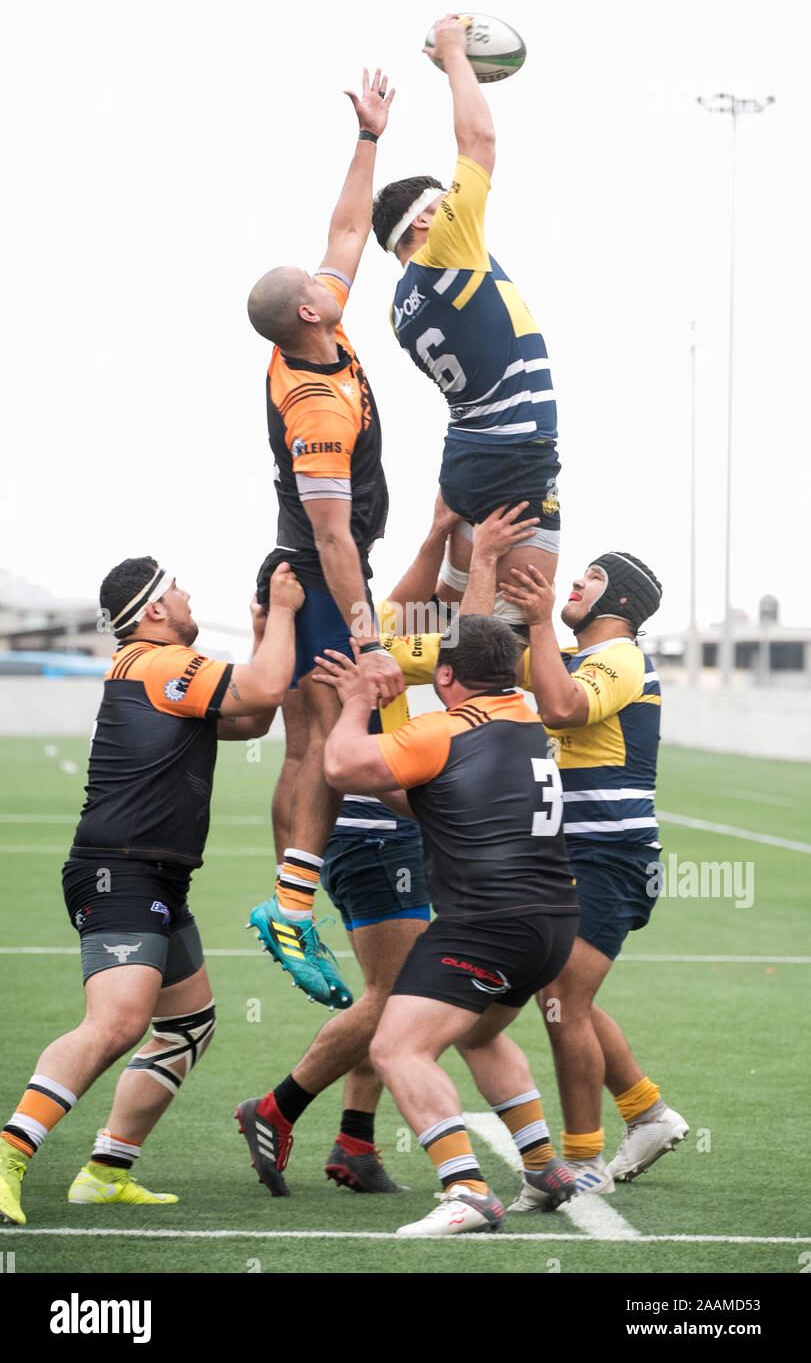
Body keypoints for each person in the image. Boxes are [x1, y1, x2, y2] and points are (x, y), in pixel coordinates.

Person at [235, 507, 539, 1198]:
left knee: (394, 991)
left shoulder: (350, 634)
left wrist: (438, 537)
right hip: (371, 830)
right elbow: (474, 650)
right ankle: (277, 1108)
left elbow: (402, 607)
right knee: (403, 994)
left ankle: (354, 1140)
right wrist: (482, 560)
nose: (370, 594)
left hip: (389, 827)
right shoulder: (356, 648)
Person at [0, 558, 301, 1227]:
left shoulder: (163, 673)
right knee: (116, 1023)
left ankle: (106, 1171)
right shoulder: (155, 663)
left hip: (157, 876)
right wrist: (280, 611)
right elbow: (267, 685)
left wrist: (262, 632)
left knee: (187, 1027)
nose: (190, 596)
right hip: (121, 871)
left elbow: (252, 718)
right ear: (154, 610)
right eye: (179, 589)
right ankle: (10, 1151)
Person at [314, 616, 580, 1236]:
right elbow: (442, 791)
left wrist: (355, 703)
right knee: (480, 1036)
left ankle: (465, 1188)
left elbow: (342, 768)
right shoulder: (531, 721)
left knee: (396, 1047)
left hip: (485, 922)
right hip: (551, 924)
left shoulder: (443, 729)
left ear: (447, 676)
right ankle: (543, 1167)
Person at [247, 68, 403, 1010]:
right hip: (317, 567)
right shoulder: (311, 398)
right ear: (308, 311)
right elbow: (333, 532)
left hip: (304, 563)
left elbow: (346, 231)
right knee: (318, 745)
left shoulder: (320, 333)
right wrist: (369, 630)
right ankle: (291, 907)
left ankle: (290, 902)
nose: (331, 273)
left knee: (307, 735)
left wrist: (370, 138)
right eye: (317, 284)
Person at [499, 555, 689, 1201]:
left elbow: (557, 708)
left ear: (621, 601)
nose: (573, 584)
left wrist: (533, 617)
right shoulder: (575, 656)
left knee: (561, 1002)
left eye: (590, 578)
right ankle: (645, 1112)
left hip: (611, 859)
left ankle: (582, 1161)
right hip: (576, 859)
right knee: (559, 996)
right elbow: (486, 654)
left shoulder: (621, 658)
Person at [371, 15, 561, 633]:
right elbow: (478, 141)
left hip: (470, 456)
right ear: (426, 224)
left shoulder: (402, 304)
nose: (457, 207)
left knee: (447, 616)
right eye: (441, 204)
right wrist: (455, 54)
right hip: (511, 456)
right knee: (504, 634)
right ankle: (482, 724)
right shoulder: (448, 248)